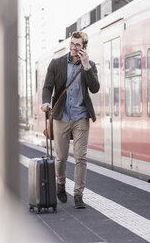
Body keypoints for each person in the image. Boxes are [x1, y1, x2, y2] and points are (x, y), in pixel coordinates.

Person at [41, 31, 100, 209]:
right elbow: (48, 87)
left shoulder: (90, 65)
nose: (74, 48)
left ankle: (78, 195)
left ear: (84, 47)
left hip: (81, 116)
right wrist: (45, 102)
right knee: (61, 158)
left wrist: (86, 66)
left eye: (78, 45)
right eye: (72, 44)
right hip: (61, 116)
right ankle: (60, 184)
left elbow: (95, 88)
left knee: (81, 157)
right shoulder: (56, 64)